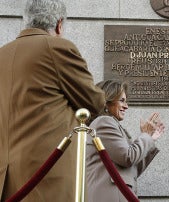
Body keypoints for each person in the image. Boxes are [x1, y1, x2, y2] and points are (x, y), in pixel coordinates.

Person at [0, 0, 105, 201]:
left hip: (6, 178)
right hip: (46, 175)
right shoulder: (56, 47)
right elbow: (94, 102)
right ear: (58, 24)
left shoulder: (2, 53)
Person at [86, 79, 165, 202]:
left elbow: (130, 170)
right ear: (107, 102)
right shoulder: (104, 122)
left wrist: (150, 139)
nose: (126, 106)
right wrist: (145, 135)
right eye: (122, 101)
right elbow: (127, 158)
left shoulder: (110, 124)